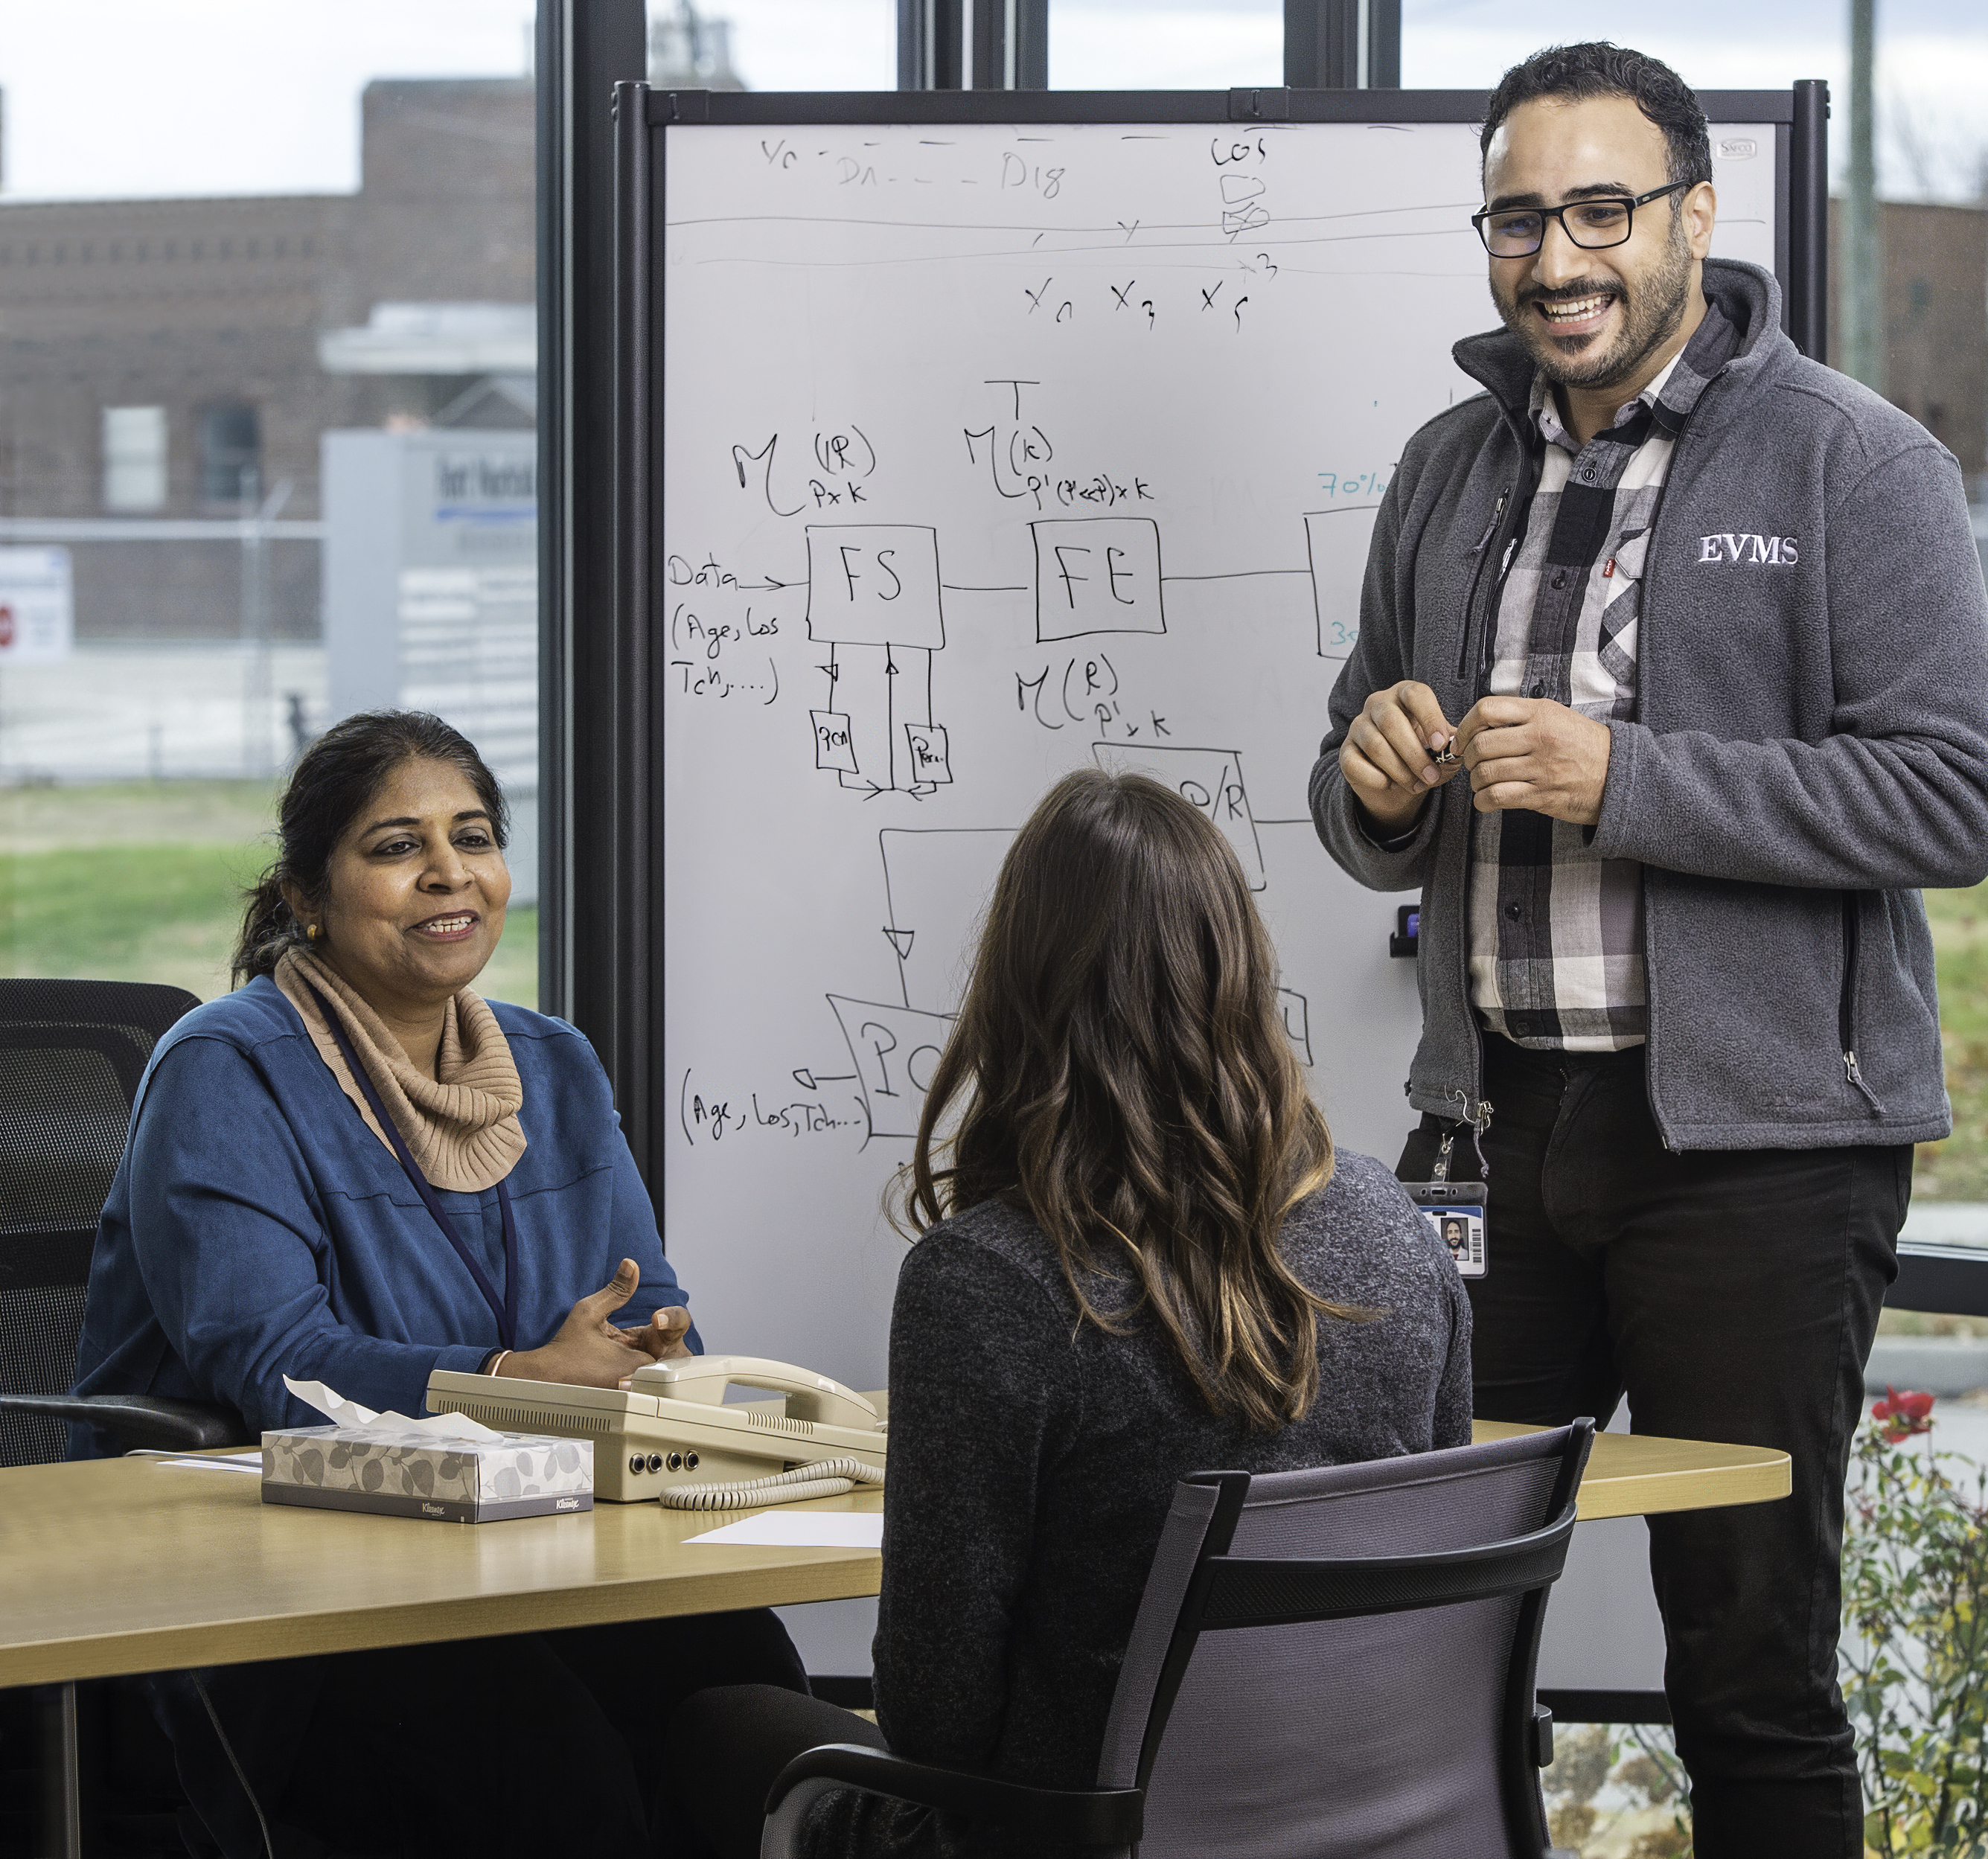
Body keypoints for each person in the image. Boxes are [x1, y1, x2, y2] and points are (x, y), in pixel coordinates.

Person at [1309, 42, 1988, 1858]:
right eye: (1519, 217)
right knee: (1420, 1637)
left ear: (1697, 214)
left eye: (1601, 210)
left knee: (1750, 1672)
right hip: (1487, 1143)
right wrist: (1376, 783)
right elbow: (1358, 791)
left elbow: (1950, 803)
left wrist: (1629, 777)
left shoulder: (1860, 462)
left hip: (1761, 1160)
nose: (1558, 259)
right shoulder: (1445, 471)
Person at [653, 768, 1472, 1859]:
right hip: (1364, 1816)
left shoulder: (987, 1280)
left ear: (1017, 985)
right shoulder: (1397, 1230)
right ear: (1244, 969)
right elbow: (1439, 1576)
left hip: (1075, 1831)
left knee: (710, 1721)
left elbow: (937, 1719)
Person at [71, 710, 812, 1859]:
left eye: (472, 835)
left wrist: (648, 1357)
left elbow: (651, 1311)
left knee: (743, 1684)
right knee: (549, 1770)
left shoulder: (555, 1064)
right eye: (394, 845)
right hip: (282, 1575)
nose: (447, 872)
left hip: (517, 1546)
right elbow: (269, 1361)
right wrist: (519, 1377)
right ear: (307, 895)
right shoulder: (224, 1069)